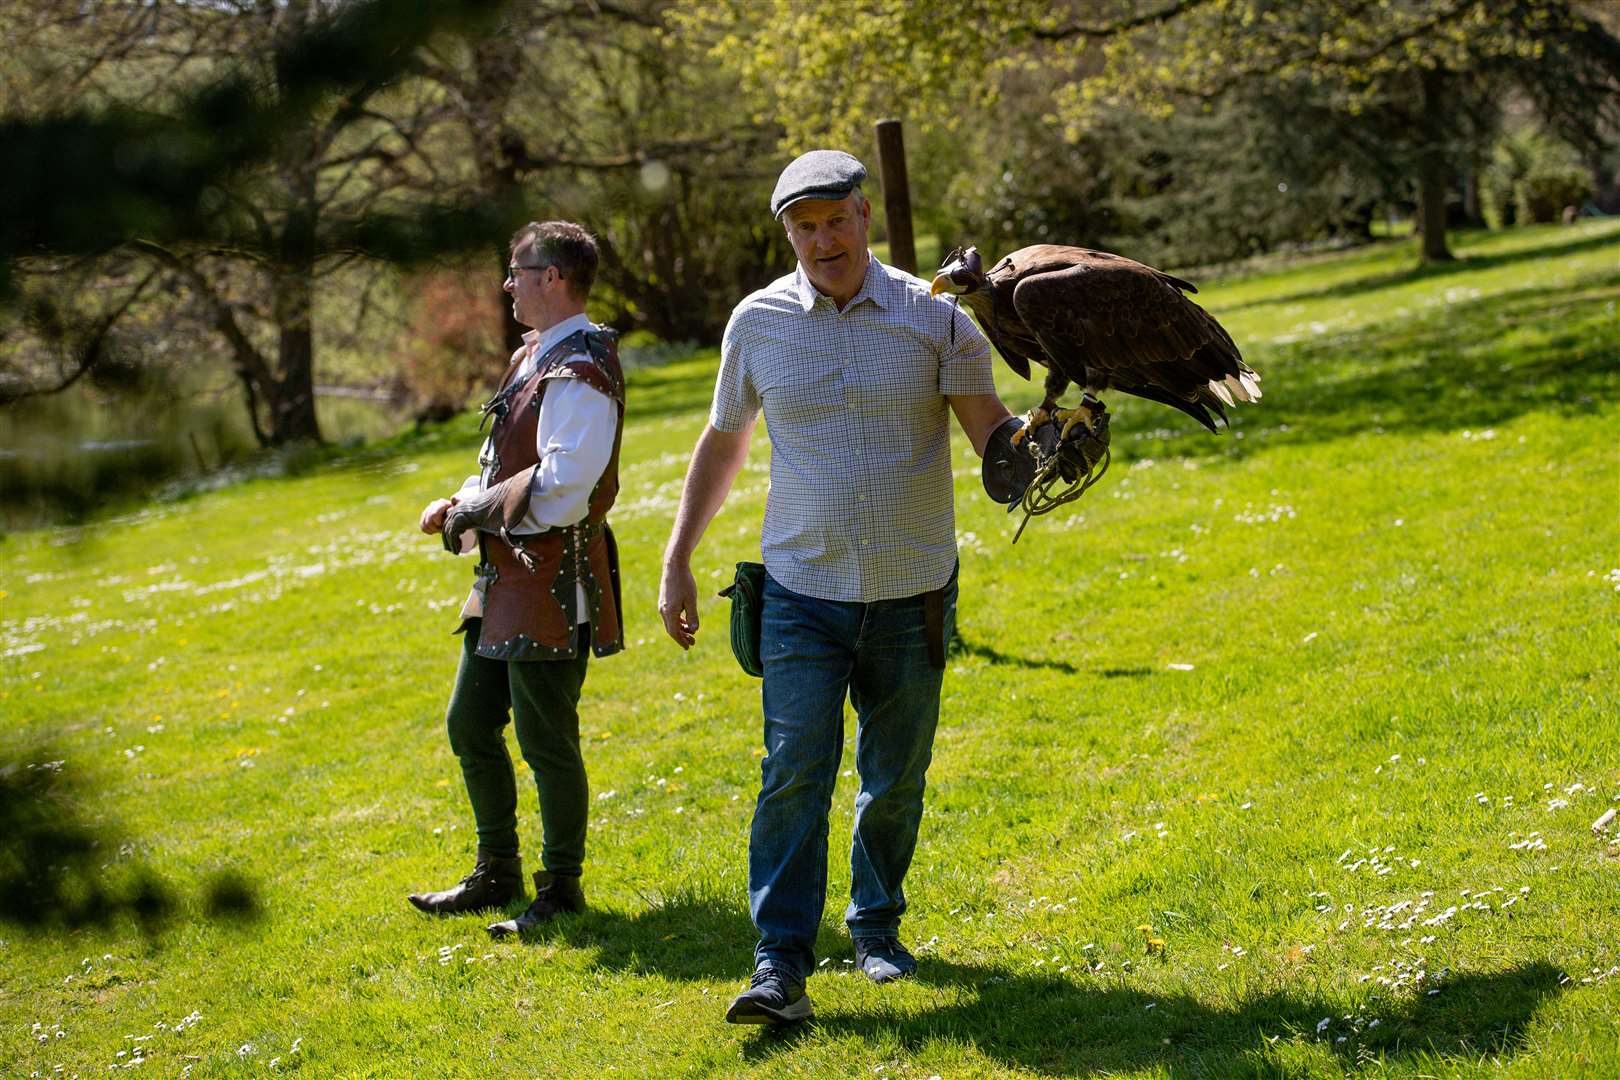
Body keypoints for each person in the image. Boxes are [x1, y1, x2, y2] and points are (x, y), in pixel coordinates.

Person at [657, 150, 1017, 1024]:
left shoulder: (938, 321)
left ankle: (876, 929)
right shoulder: (757, 322)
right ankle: (779, 964)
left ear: (865, 217)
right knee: (794, 774)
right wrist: (677, 557)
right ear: (788, 234)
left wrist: (1044, 449)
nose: (823, 240)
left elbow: (993, 441)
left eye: (835, 220)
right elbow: (724, 441)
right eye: (804, 227)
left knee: (895, 778)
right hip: (800, 589)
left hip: (912, 589)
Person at [409, 220, 626, 939]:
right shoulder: (532, 359)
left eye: (517, 272)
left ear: (553, 277)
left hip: (552, 579)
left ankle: (560, 890)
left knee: (545, 741)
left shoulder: (583, 368)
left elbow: (565, 486)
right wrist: (462, 501)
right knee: (469, 724)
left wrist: (470, 510)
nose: (507, 285)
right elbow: (503, 464)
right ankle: (496, 869)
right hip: (504, 577)